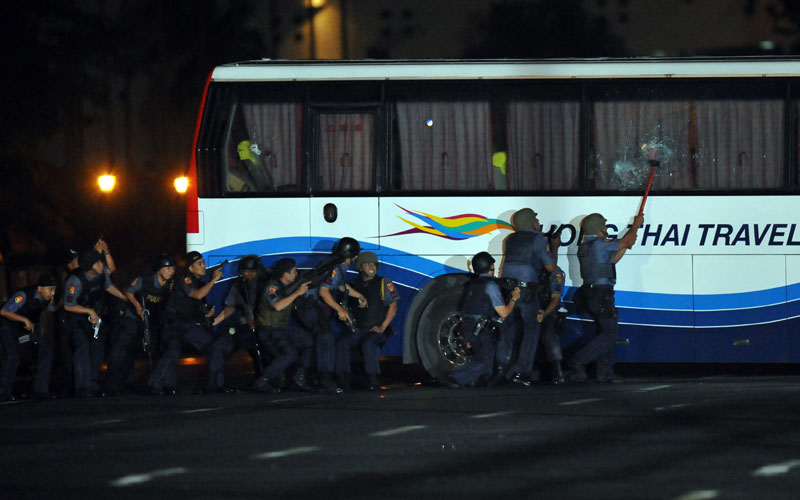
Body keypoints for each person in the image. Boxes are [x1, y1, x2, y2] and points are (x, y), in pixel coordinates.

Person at [566, 212, 644, 383]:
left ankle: (606, 372)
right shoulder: (600, 245)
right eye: (604, 225)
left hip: (592, 293)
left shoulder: (587, 246)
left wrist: (624, 245)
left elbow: (612, 260)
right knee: (609, 332)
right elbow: (628, 241)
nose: (606, 228)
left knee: (608, 330)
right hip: (602, 294)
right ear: (600, 228)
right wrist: (636, 225)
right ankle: (579, 360)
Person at [493, 208, 559, 386]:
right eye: (536, 220)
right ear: (531, 222)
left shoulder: (510, 239)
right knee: (532, 330)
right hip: (527, 291)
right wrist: (554, 246)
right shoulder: (537, 238)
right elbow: (551, 268)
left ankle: (500, 369)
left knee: (507, 330)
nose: (538, 223)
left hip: (508, 290)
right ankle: (522, 373)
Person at [145, 251, 227, 395]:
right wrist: (213, 280)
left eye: (203, 262)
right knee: (172, 352)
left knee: (215, 346)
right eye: (199, 264)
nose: (203, 266)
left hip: (186, 323)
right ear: (190, 268)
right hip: (173, 322)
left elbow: (196, 305)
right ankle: (155, 386)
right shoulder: (186, 279)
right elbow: (197, 294)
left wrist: (206, 313)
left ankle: (215, 384)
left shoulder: (199, 282)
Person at [293, 237, 364, 394]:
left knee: (322, 338)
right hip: (308, 306)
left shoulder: (336, 266)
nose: (355, 259)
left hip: (311, 306)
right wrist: (340, 309)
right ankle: (324, 380)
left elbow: (340, 286)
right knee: (326, 337)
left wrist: (358, 296)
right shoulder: (334, 268)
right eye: (355, 256)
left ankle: (307, 375)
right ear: (349, 257)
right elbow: (324, 292)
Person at [105, 254, 176, 394]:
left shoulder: (170, 285)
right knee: (122, 347)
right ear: (159, 269)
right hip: (133, 316)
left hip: (151, 319)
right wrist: (137, 306)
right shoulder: (145, 280)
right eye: (167, 268)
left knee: (159, 347)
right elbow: (128, 291)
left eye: (172, 268)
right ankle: (111, 384)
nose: (170, 271)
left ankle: (160, 383)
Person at [64, 250, 128, 397]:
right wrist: (89, 312)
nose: (102, 264)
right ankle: (82, 386)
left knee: (98, 346)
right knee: (82, 346)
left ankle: (92, 383)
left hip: (92, 315)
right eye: (98, 262)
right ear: (89, 266)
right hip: (76, 317)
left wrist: (124, 298)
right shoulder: (75, 280)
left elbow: (108, 286)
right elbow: (68, 305)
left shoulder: (101, 274)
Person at [450, 252, 520, 388]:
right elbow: (504, 313)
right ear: (491, 267)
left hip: (467, 326)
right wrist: (514, 298)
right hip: (480, 328)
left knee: (481, 357)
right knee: (486, 362)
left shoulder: (471, 284)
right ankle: (455, 376)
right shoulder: (491, 286)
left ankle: (472, 381)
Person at [334, 251, 399, 391]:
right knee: (342, 343)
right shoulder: (353, 284)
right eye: (367, 263)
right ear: (360, 267)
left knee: (369, 343)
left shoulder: (383, 282)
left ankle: (373, 380)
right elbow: (343, 300)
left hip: (378, 329)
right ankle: (343, 381)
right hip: (360, 329)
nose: (372, 266)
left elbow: (393, 307)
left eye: (374, 264)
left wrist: (383, 327)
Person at [252, 257, 314, 393]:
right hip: (268, 329)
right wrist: (297, 292)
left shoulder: (289, 287)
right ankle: (263, 380)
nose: (296, 274)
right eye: (294, 272)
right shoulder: (272, 287)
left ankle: (299, 377)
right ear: (285, 274)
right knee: (290, 354)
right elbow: (277, 306)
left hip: (281, 329)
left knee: (308, 340)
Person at [211, 254, 271, 388]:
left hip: (262, 326)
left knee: (266, 350)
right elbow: (230, 307)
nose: (249, 275)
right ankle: (217, 383)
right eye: (246, 271)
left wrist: (259, 321)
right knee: (221, 344)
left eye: (252, 271)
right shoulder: (239, 285)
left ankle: (264, 381)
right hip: (243, 325)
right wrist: (213, 322)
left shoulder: (267, 283)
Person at [0, 274, 58, 401]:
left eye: (54, 289)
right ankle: (3, 393)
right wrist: (24, 319)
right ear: (40, 288)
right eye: (50, 289)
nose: (53, 293)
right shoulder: (24, 295)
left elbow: (50, 308)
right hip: (7, 327)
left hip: (23, 332)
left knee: (45, 349)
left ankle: (40, 390)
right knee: (12, 356)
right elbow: (4, 312)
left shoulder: (48, 298)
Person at [537, 264, 568, 384]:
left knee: (549, 336)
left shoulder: (555, 272)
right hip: (533, 307)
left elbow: (555, 298)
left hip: (549, 310)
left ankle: (557, 372)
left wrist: (545, 314)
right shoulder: (531, 268)